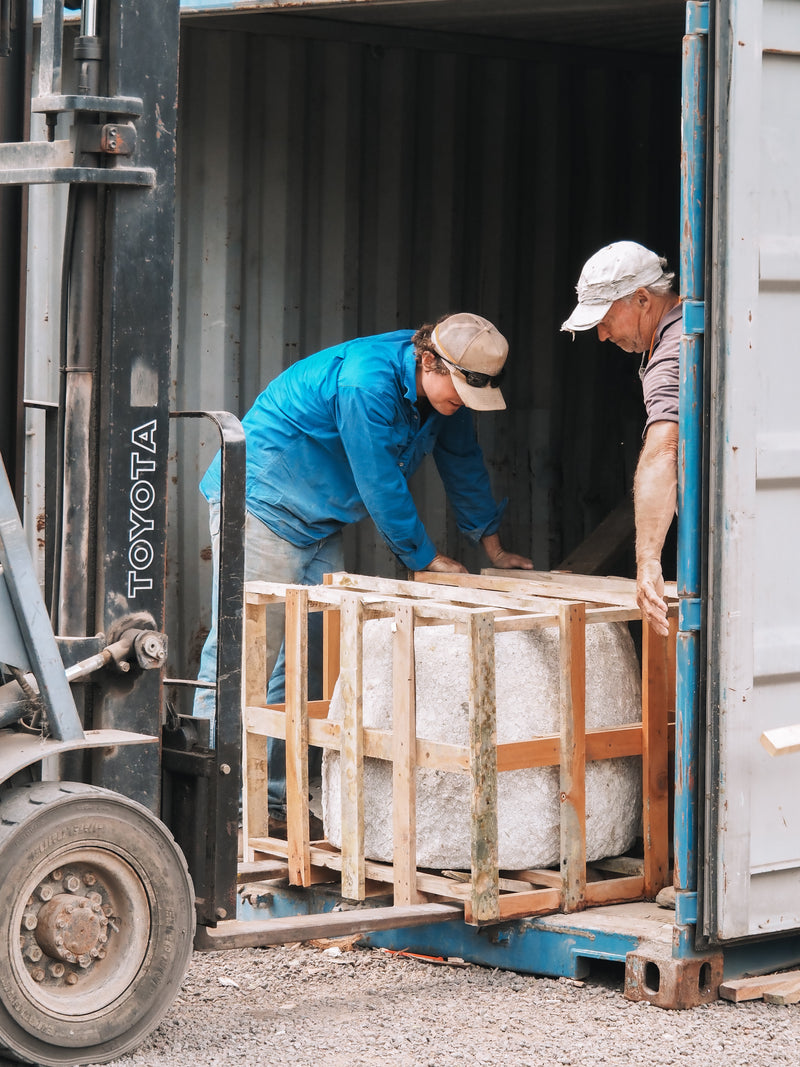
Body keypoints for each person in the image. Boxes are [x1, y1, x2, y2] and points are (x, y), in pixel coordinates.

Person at [194, 312, 533, 832]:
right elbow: (378, 481)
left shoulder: (449, 389)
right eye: (459, 393)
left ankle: (275, 801)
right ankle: (213, 802)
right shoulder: (365, 382)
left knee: (313, 658)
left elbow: (462, 461)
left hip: (318, 517)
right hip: (263, 503)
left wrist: (494, 546)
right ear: (428, 361)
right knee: (245, 656)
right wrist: (421, 559)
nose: (461, 405)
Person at [561, 240, 680, 638]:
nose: (601, 334)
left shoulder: (674, 353)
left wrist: (647, 562)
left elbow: (664, 449)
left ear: (643, 299)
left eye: (606, 317)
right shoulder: (677, 331)